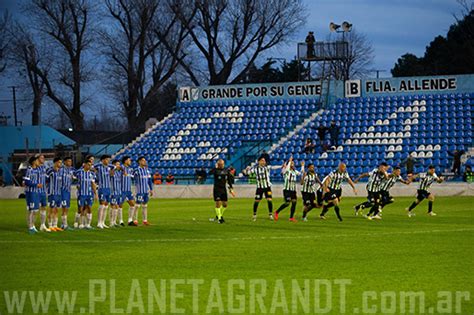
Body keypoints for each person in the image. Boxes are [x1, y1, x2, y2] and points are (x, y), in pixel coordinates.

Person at [244, 157, 274, 221]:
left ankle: (270, 214)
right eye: (262, 161)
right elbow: (247, 173)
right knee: (257, 201)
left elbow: (274, 167)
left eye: (264, 161)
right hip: (259, 188)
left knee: (269, 200)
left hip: (267, 187)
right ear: (259, 161)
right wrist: (246, 170)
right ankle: (254, 215)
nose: (263, 162)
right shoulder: (255, 169)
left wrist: (283, 166)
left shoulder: (267, 168)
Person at [275, 157, 304, 222]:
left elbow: (301, 173)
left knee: (294, 202)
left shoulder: (294, 171)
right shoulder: (285, 171)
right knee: (287, 203)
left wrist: (302, 166)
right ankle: (277, 212)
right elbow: (286, 169)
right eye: (291, 163)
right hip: (287, 190)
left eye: (293, 163)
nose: (292, 164)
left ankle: (291, 217)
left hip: (293, 190)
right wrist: (289, 161)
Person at [209, 159, 235, 223]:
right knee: (218, 203)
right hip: (217, 189)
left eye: (222, 164)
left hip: (223, 189)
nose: (221, 165)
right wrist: (215, 168)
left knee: (225, 204)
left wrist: (231, 188)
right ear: (217, 164)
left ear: (223, 164)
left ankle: (219, 215)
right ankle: (220, 219)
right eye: (219, 164)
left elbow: (229, 180)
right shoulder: (215, 170)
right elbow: (209, 173)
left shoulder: (226, 170)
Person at [75, 160, 97, 229]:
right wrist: (77, 185)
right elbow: (74, 179)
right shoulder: (79, 173)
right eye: (88, 164)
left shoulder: (92, 174)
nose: (89, 166)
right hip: (81, 194)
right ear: (84, 164)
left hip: (89, 194)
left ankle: (88, 224)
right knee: (80, 209)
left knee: (89, 208)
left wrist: (95, 194)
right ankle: (79, 223)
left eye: (90, 165)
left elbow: (93, 184)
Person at [23, 156, 42, 234]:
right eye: (37, 160)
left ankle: (33, 226)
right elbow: (26, 182)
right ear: (34, 162)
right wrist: (36, 185)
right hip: (31, 193)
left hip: (37, 192)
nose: (38, 162)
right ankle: (30, 227)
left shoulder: (37, 170)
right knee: (31, 210)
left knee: (36, 210)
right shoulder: (29, 170)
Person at [95, 155, 113, 229]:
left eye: (108, 159)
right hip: (102, 188)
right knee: (102, 205)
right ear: (102, 160)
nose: (108, 161)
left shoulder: (109, 168)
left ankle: (103, 222)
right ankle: (99, 222)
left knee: (106, 206)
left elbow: (114, 167)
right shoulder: (99, 167)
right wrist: (100, 163)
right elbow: (93, 166)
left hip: (108, 188)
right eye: (106, 160)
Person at [133, 156, 153, 226]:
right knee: (137, 205)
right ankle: (135, 220)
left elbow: (149, 181)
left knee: (145, 205)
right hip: (139, 191)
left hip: (146, 191)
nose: (145, 162)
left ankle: (145, 220)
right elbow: (132, 179)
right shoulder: (136, 170)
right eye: (143, 161)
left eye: (145, 161)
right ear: (139, 162)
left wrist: (151, 189)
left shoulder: (147, 170)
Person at [46, 157, 64, 231]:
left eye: (61, 162)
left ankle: (55, 225)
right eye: (59, 162)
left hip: (59, 193)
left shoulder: (60, 171)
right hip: (52, 193)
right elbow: (45, 180)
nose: (60, 164)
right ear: (55, 163)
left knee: (57, 209)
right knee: (51, 209)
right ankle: (50, 226)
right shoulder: (50, 171)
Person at [60, 156, 75, 230]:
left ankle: (64, 224)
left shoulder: (71, 170)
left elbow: (73, 177)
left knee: (67, 208)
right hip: (62, 191)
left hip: (68, 191)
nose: (70, 163)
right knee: (64, 208)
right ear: (65, 162)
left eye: (71, 161)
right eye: (68, 161)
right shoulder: (61, 170)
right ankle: (64, 224)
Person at [121, 156, 136, 226]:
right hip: (122, 190)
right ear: (125, 161)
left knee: (132, 204)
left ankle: (130, 220)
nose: (130, 162)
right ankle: (121, 221)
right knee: (119, 205)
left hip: (128, 190)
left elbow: (133, 177)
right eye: (129, 160)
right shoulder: (121, 168)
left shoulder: (130, 169)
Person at [36, 154, 49, 232]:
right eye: (41, 158)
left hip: (43, 191)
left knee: (44, 207)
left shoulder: (44, 167)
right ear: (37, 159)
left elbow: (46, 178)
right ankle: (32, 225)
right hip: (35, 191)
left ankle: (42, 225)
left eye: (44, 158)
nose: (43, 159)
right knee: (34, 210)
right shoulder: (34, 168)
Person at [110, 159, 123, 227]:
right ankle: (111, 222)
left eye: (119, 164)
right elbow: (110, 174)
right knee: (113, 206)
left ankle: (114, 222)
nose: (119, 166)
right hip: (113, 192)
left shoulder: (119, 172)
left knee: (117, 207)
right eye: (117, 164)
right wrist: (114, 168)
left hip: (119, 192)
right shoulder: (112, 171)